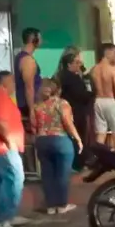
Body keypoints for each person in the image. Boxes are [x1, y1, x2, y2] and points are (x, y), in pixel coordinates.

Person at [34, 78, 83, 214]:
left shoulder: (37, 105)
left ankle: (50, 205)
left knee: (47, 173)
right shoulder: (62, 103)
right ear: (58, 89)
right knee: (62, 174)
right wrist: (77, 138)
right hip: (60, 140)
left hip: (42, 140)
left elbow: (34, 125)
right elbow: (67, 122)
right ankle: (61, 205)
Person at [0, 71, 31, 227]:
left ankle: (7, 215)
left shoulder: (2, 97)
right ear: (4, 83)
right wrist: (10, 142)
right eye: (12, 82)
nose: (14, 86)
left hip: (2, 147)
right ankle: (3, 219)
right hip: (3, 148)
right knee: (14, 178)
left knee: (1, 183)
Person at [57, 50, 94, 170]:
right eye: (77, 63)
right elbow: (80, 94)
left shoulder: (62, 76)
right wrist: (90, 94)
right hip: (75, 111)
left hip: (72, 110)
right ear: (69, 64)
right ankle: (78, 163)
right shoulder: (71, 78)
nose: (79, 65)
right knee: (77, 137)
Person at [90, 43, 115, 149]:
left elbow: (92, 88)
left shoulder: (93, 70)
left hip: (98, 101)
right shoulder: (113, 70)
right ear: (107, 53)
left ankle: (98, 157)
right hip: (111, 101)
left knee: (101, 133)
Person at [14, 27, 42, 126]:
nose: (41, 41)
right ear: (33, 40)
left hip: (27, 105)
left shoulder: (20, 57)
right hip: (29, 106)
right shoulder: (28, 60)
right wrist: (32, 111)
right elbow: (29, 87)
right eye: (39, 38)